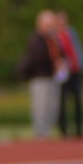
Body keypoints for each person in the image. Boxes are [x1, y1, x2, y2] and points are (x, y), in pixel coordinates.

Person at [18, 10, 65, 139]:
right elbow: (38, 57)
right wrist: (53, 63)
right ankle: (40, 133)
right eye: (49, 24)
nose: (51, 27)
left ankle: (47, 132)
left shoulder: (54, 39)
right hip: (40, 77)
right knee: (41, 107)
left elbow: (61, 54)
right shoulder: (35, 40)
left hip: (53, 77)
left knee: (52, 107)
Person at [56, 11, 83, 138]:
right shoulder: (55, 36)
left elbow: (77, 49)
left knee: (78, 99)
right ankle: (63, 129)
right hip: (63, 72)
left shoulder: (71, 33)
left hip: (75, 70)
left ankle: (79, 128)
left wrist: (80, 64)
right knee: (62, 100)